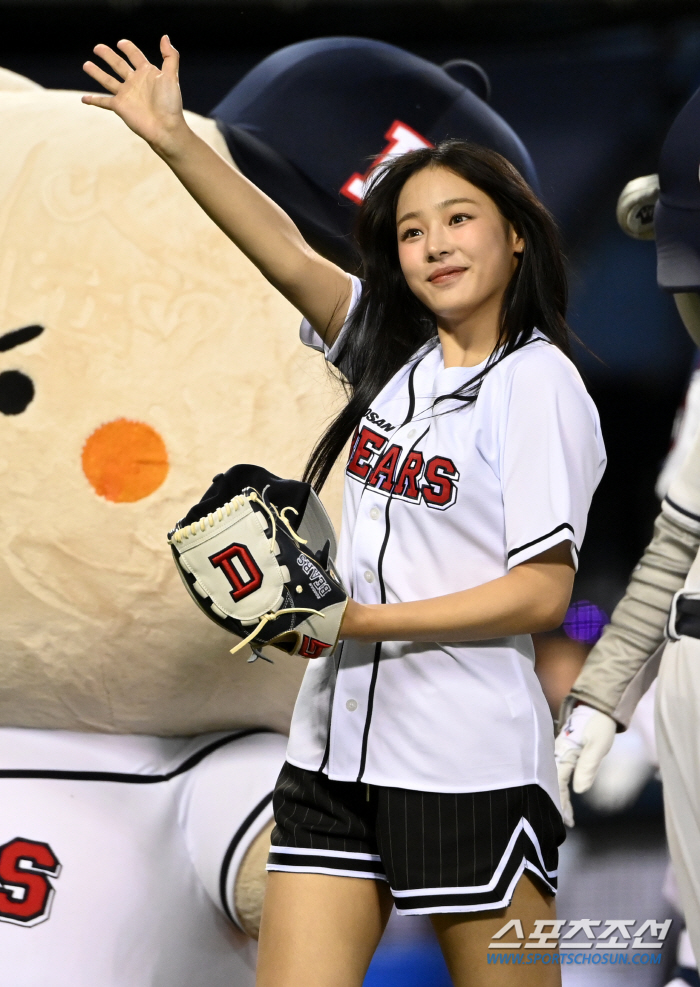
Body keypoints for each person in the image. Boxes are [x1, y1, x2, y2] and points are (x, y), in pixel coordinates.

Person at [82, 36, 605, 987]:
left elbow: (543, 593)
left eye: (460, 218)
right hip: (329, 757)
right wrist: (172, 138)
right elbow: (282, 250)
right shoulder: (391, 360)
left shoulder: (539, 385)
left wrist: (357, 620)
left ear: (515, 233)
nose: (435, 244)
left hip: (467, 769)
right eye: (411, 231)